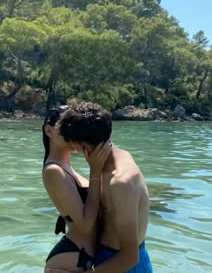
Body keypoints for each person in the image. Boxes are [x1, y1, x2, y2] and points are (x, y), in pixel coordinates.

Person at [59, 102, 153, 273]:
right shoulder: (115, 158)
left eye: (74, 147)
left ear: (83, 146)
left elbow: (130, 256)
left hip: (122, 265)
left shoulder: (121, 182)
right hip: (109, 259)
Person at [42, 107, 112, 273]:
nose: (71, 132)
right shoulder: (54, 171)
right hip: (70, 261)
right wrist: (95, 170)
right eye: (65, 126)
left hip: (82, 258)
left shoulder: (66, 167)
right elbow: (86, 224)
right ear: (49, 130)